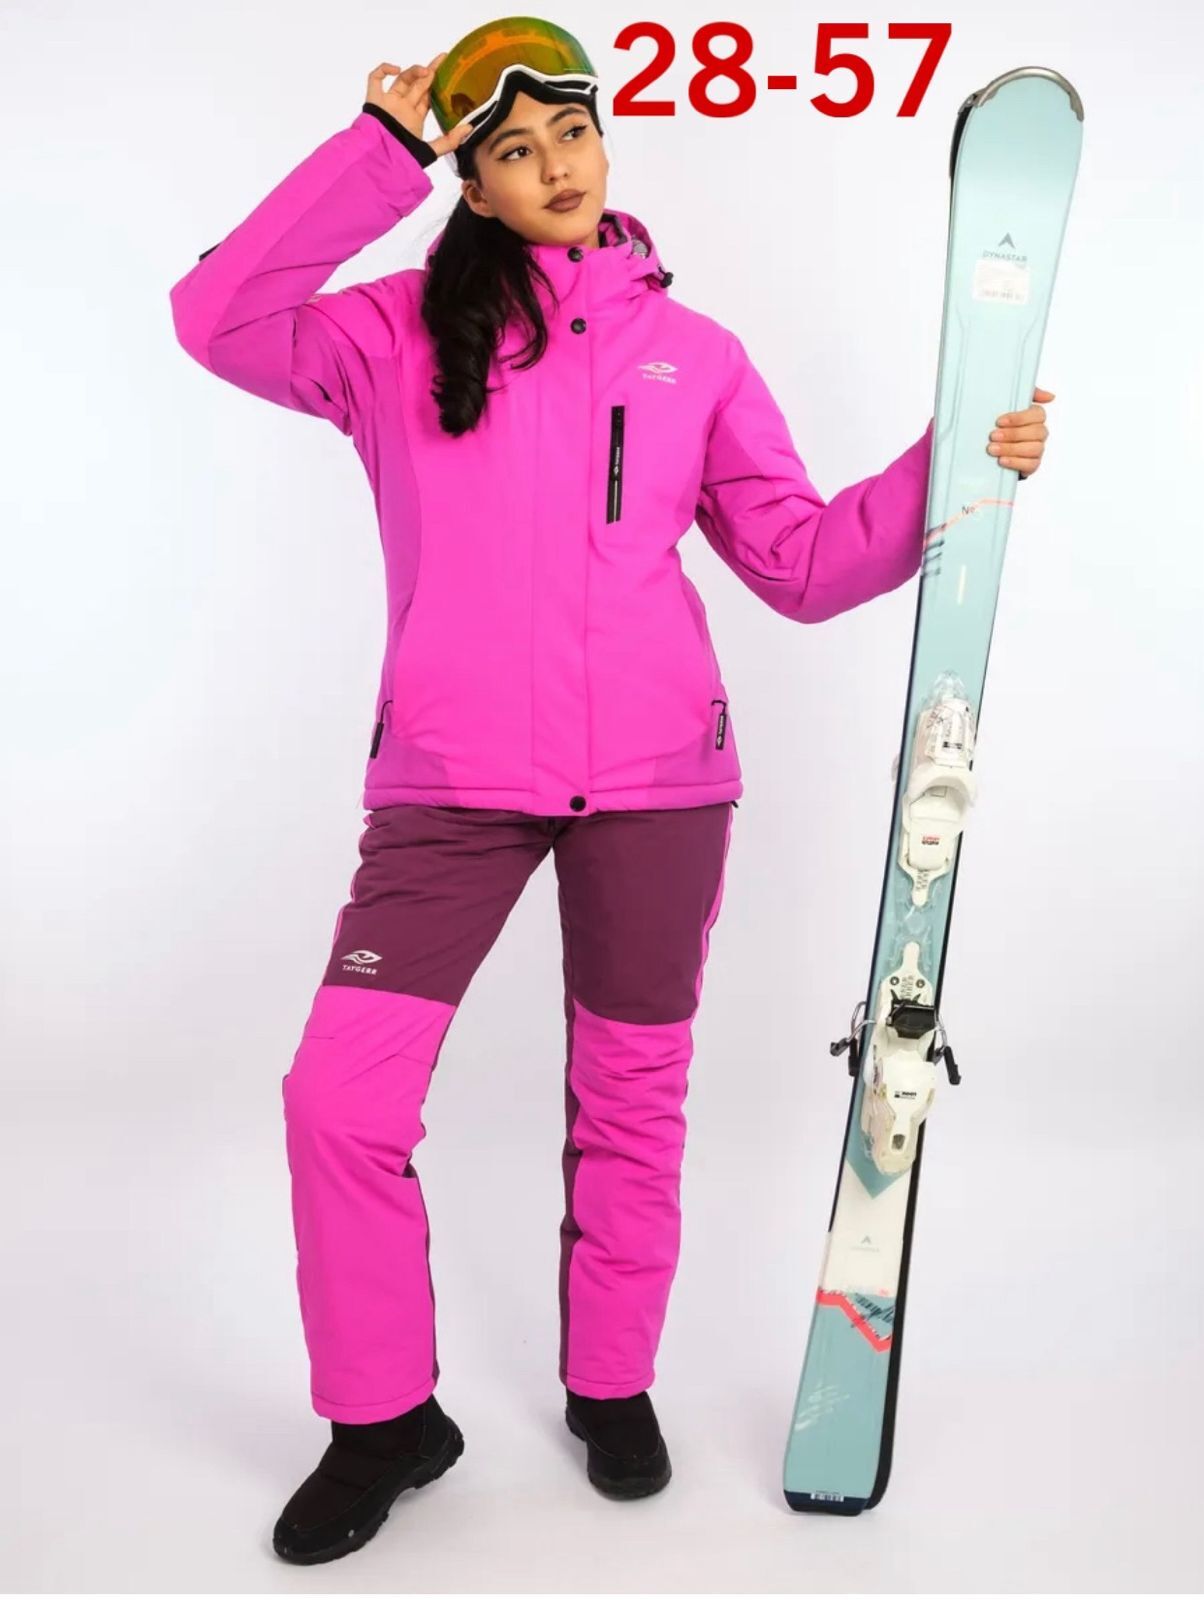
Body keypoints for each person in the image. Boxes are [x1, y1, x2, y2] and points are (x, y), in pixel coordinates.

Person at [167, 17, 1052, 1566]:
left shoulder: (694, 356)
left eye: (570, 132)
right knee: (339, 1102)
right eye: (513, 150)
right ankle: (382, 1421)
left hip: (656, 784)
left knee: (631, 1098)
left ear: (604, 140)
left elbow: (799, 562)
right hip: (450, 786)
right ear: (474, 184)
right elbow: (216, 315)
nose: (556, 166)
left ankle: (611, 1383)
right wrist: (377, 153)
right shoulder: (387, 338)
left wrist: (958, 460)